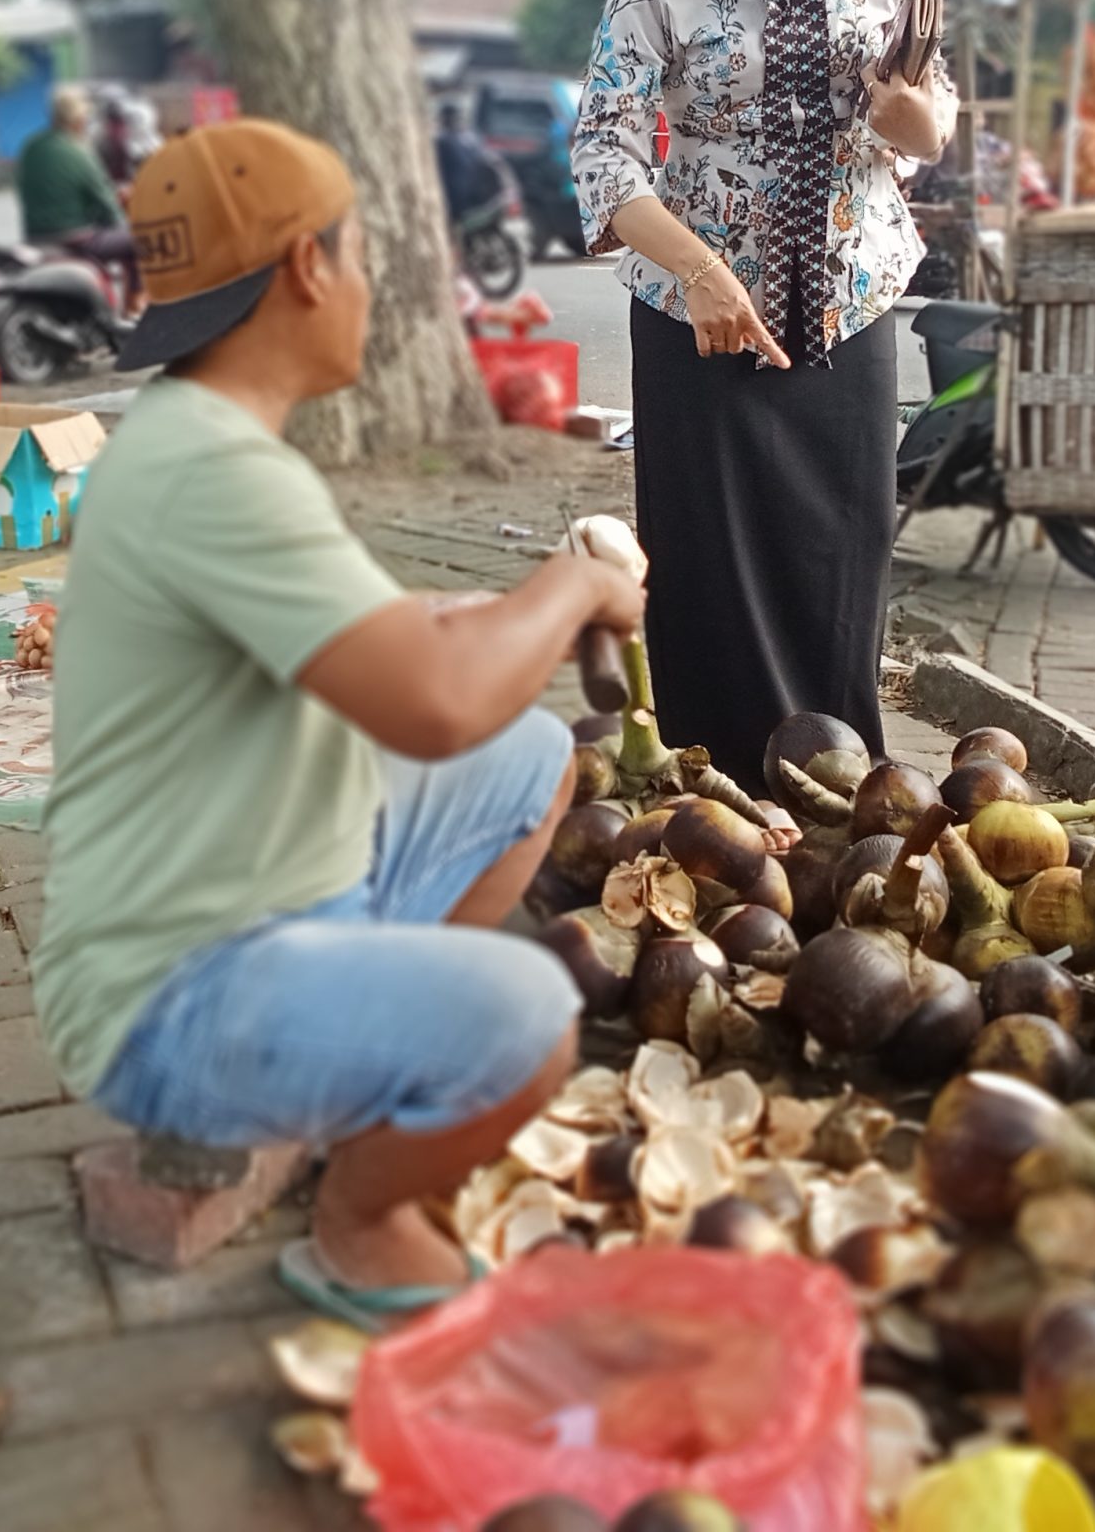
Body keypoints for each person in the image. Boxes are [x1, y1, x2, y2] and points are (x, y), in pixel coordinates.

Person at [33, 119, 644, 1324]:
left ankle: (363, 1076)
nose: (367, 284)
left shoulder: (188, 437)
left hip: (250, 887)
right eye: (358, 253)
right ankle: (362, 1219)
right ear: (308, 269)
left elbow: (390, 648)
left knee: (523, 759)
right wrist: (572, 583)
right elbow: (433, 702)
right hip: (170, 992)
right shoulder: (214, 472)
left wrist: (469, 611)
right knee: (528, 1018)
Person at [568, 0, 954, 782]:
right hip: (696, 325)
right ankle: (713, 806)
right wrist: (696, 268)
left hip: (847, 309)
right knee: (705, 575)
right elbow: (602, 151)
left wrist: (901, 115)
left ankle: (836, 796)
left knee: (838, 561)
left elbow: (936, 118)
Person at [17, 85, 136, 305]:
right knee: (137, 240)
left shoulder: (31, 147)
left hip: (35, 237)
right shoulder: (80, 151)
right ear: (80, 118)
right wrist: (118, 222)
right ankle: (134, 306)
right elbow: (108, 206)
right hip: (76, 240)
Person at [432, 99, 507, 223]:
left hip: (457, 204)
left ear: (443, 119)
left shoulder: (442, 141)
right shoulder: (473, 137)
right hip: (482, 200)